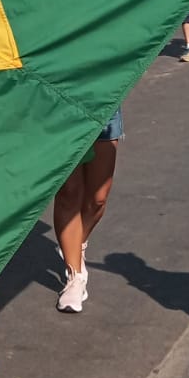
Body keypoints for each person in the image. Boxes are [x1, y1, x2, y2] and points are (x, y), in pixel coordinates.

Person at [54, 109, 122, 312]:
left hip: (104, 105)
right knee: (68, 192)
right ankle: (74, 277)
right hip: (62, 108)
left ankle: (77, 244)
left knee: (98, 198)